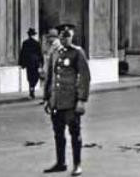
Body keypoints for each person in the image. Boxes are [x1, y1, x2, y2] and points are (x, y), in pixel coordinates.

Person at [43, 23, 91, 176]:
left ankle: (77, 165)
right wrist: (47, 98)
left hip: (71, 102)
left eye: (68, 36)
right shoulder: (55, 53)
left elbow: (84, 77)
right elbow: (50, 76)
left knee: (74, 134)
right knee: (58, 133)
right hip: (56, 101)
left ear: (72, 37)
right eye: (62, 37)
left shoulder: (77, 53)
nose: (65, 39)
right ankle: (61, 162)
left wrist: (81, 100)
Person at [19, 27, 44, 99]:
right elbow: (40, 54)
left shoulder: (25, 43)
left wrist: (22, 64)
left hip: (28, 63)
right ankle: (32, 89)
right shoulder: (37, 43)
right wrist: (41, 63)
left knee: (30, 77)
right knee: (35, 77)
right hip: (35, 63)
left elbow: (22, 54)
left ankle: (31, 90)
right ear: (34, 35)